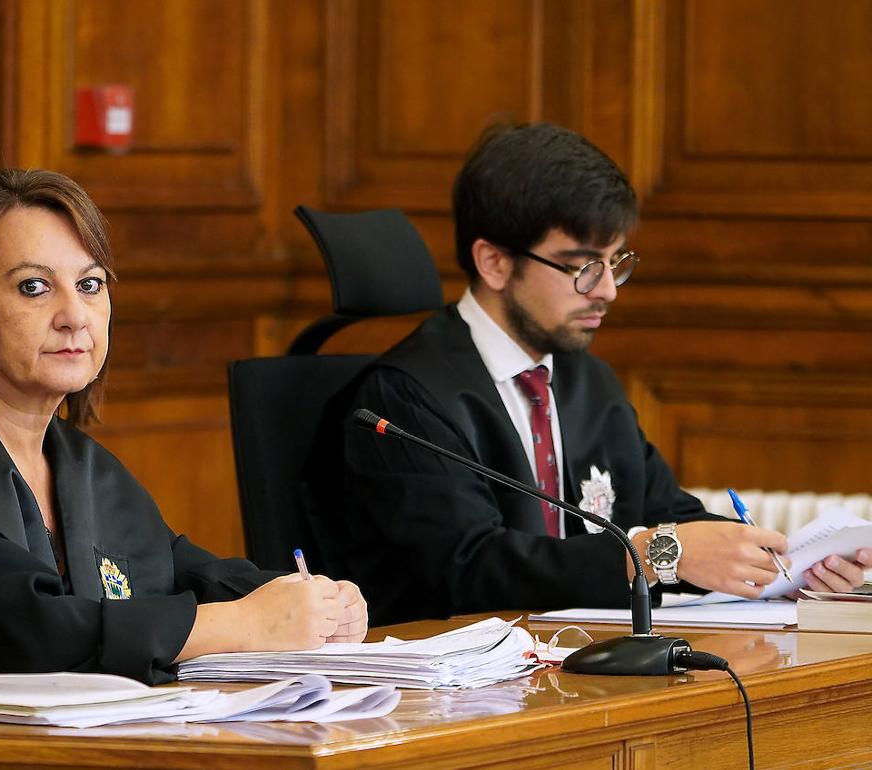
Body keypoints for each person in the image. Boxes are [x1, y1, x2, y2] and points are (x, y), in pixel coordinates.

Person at [0, 169, 367, 686]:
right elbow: (37, 638)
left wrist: (306, 600)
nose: (75, 314)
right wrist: (245, 625)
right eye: (34, 286)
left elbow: (179, 572)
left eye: (91, 284)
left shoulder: (84, 468)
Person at [314, 122, 871, 625]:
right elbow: (473, 569)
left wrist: (774, 565)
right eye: (583, 266)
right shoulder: (403, 399)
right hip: (450, 693)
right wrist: (661, 554)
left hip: (576, 665)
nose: (605, 289)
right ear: (495, 262)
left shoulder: (587, 382)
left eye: (617, 262)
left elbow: (667, 515)